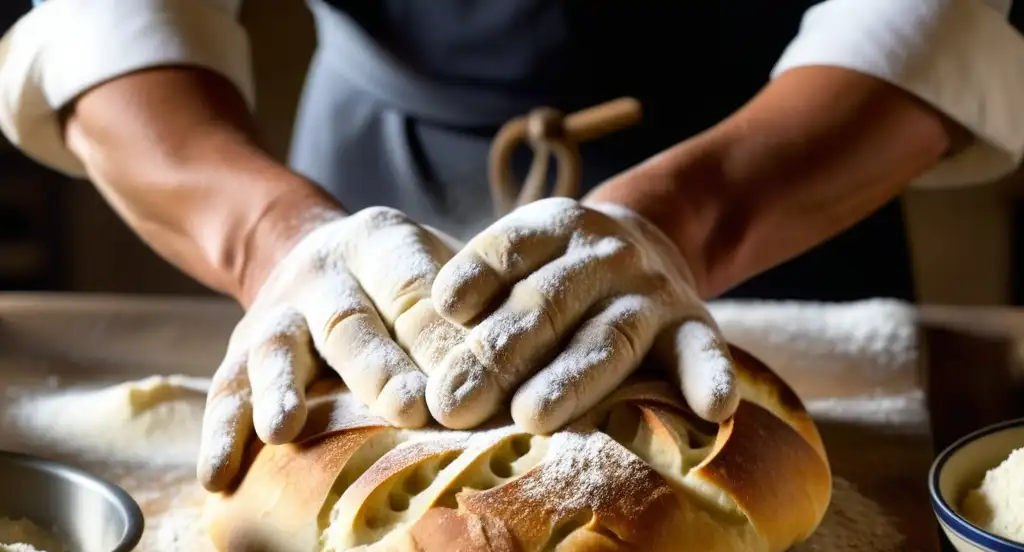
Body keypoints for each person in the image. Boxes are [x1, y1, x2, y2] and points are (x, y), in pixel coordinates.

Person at [0, 1, 1021, 492]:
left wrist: (684, 220)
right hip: (361, 192)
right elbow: (110, 21)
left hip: (782, 171)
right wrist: (276, 239)